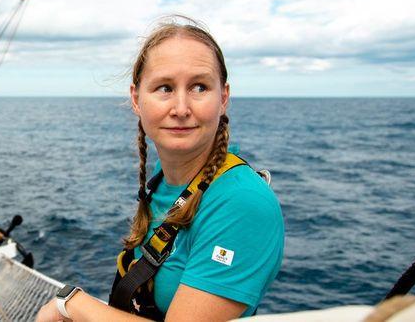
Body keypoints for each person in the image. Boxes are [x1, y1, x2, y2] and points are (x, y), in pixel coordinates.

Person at [36, 17, 284, 321]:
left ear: (223, 98)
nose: (180, 108)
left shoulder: (243, 202)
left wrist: (71, 303)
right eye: (165, 88)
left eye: (199, 87)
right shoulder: (167, 182)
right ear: (136, 99)